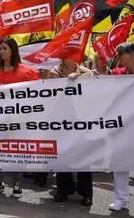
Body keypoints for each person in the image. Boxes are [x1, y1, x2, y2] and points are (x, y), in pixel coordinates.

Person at [97, 42, 134, 215]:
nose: (119, 57)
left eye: (121, 53)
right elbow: (104, 82)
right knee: (120, 162)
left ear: (132, 55)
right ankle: (120, 199)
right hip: (122, 126)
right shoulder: (117, 73)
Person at [0, 37, 39, 198]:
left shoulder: (28, 72)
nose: (1, 52)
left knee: (16, 151)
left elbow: (37, 94)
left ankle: (17, 184)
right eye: (0, 48)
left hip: (18, 121)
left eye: (5, 49)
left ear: (13, 51)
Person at [41, 59, 94, 206]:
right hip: (61, 121)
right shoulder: (54, 73)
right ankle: (63, 190)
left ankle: (86, 193)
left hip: (81, 121)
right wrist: (63, 81)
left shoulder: (87, 73)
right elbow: (50, 96)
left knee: (84, 157)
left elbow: (90, 96)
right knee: (62, 154)